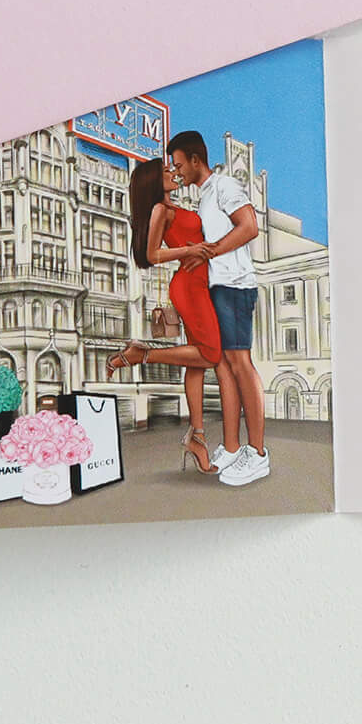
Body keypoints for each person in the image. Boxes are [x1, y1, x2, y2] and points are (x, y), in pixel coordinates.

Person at [165, 130, 269, 487]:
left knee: (240, 364)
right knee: (222, 366)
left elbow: (250, 226)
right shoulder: (204, 196)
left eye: (180, 165)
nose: (177, 172)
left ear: (196, 160)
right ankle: (232, 447)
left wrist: (210, 251)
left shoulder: (225, 186)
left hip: (235, 285)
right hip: (216, 288)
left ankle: (257, 453)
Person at [106, 157, 223, 475]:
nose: (173, 171)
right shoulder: (161, 209)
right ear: (153, 182)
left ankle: (197, 437)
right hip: (189, 285)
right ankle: (142, 354)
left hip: (200, 282)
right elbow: (151, 254)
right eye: (165, 171)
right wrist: (190, 250)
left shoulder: (174, 206)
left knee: (197, 363)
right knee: (210, 354)